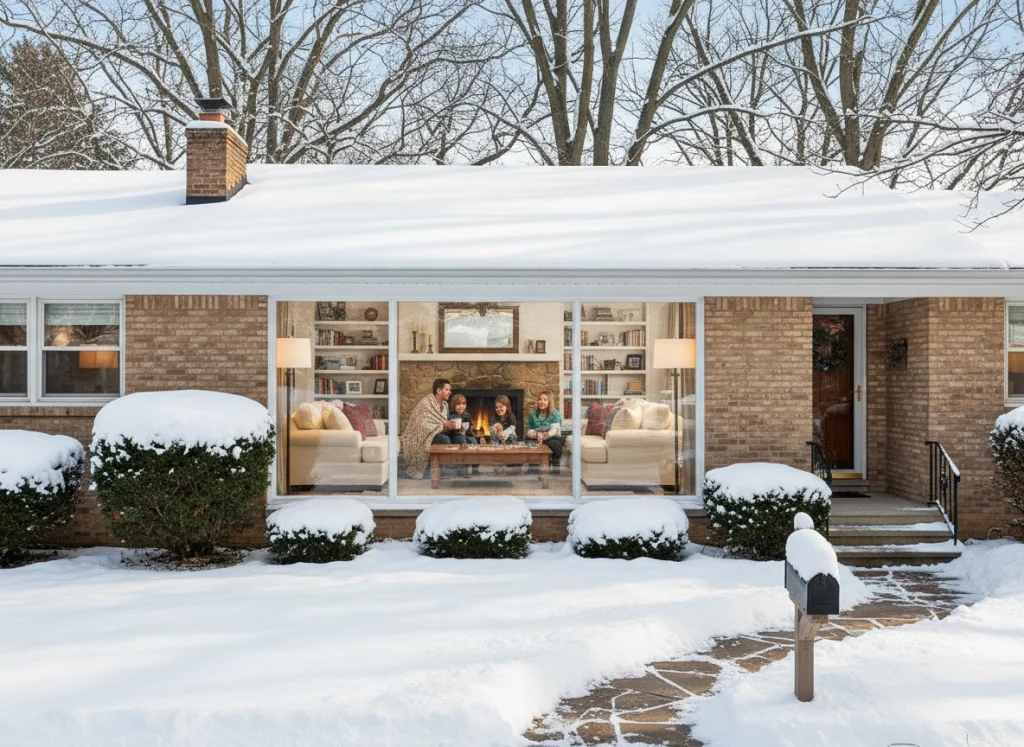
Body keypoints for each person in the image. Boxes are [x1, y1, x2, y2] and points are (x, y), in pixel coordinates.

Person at [401, 378, 457, 479]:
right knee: (444, 440)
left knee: (459, 438)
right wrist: (443, 426)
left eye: (450, 390)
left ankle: (458, 469)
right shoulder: (426, 403)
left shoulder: (445, 405)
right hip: (420, 436)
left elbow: (441, 422)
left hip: (437, 432)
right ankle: (435, 470)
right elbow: (422, 425)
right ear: (439, 391)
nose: (450, 392)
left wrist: (451, 426)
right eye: (447, 389)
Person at [526, 390, 563, 473]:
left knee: (554, 443)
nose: (542, 402)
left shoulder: (555, 413)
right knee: (528, 441)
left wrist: (547, 435)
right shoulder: (532, 414)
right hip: (537, 437)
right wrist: (535, 434)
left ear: (549, 402)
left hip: (552, 437)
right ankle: (532, 467)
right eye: (540, 399)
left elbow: (555, 429)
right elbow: (530, 429)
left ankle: (555, 466)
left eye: (545, 400)